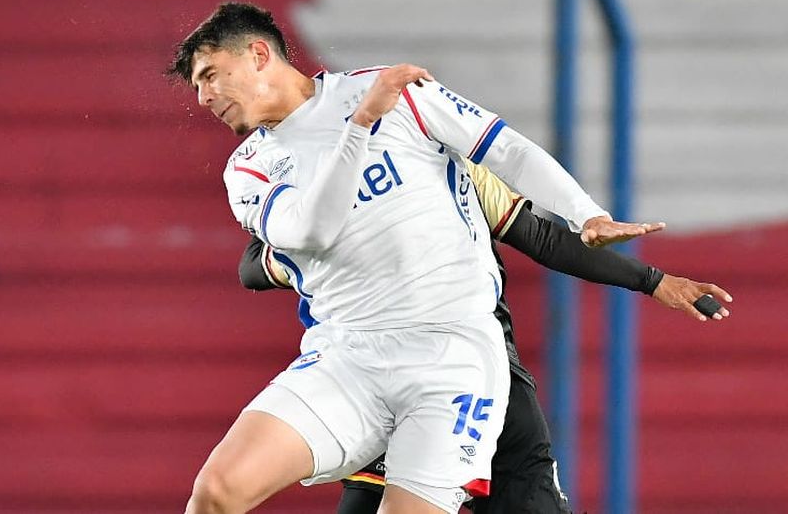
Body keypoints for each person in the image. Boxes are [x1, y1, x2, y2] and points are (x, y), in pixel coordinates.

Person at [166, 1, 662, 514]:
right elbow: (313, 229)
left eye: (210, 75)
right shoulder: (248, 169)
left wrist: (585, 213)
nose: (203, 97)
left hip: (450, 356)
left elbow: (505, 149)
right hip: (347, 357)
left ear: (258, 54)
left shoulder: (391, 91)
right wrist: (360, 127)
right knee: (215, 492)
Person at [239, 157, 732, 514]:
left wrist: (655, 281)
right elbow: (252, 267)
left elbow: (542, 237)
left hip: (471, 377)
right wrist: (316, 246)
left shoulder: (450, 164)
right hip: (385, 377)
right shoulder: (319, 189)